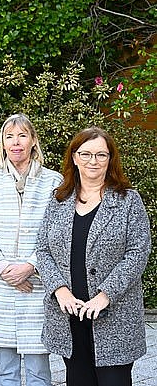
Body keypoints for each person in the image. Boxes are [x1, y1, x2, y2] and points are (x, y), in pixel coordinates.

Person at [36, 126, 151, 386]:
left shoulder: (128, 201)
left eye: (101, 155)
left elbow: (138, 252)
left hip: (114, 317)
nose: (93, 161)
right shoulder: (58, 200)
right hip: (69, 316)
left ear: (110, 159)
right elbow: (42, 250)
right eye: (86, 154)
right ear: (74, 157)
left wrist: (105, 295)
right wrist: (59, 290)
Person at [0, 114, 62, 386]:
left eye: (22, 136)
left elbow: (57, 230)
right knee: (5, 371)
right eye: (9, 137)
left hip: (37, 283)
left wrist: (30, 266)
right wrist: (3, 269)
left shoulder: (53, 181)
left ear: (33, 141)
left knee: (38, 371)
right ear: (3, 143)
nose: (16, 142)